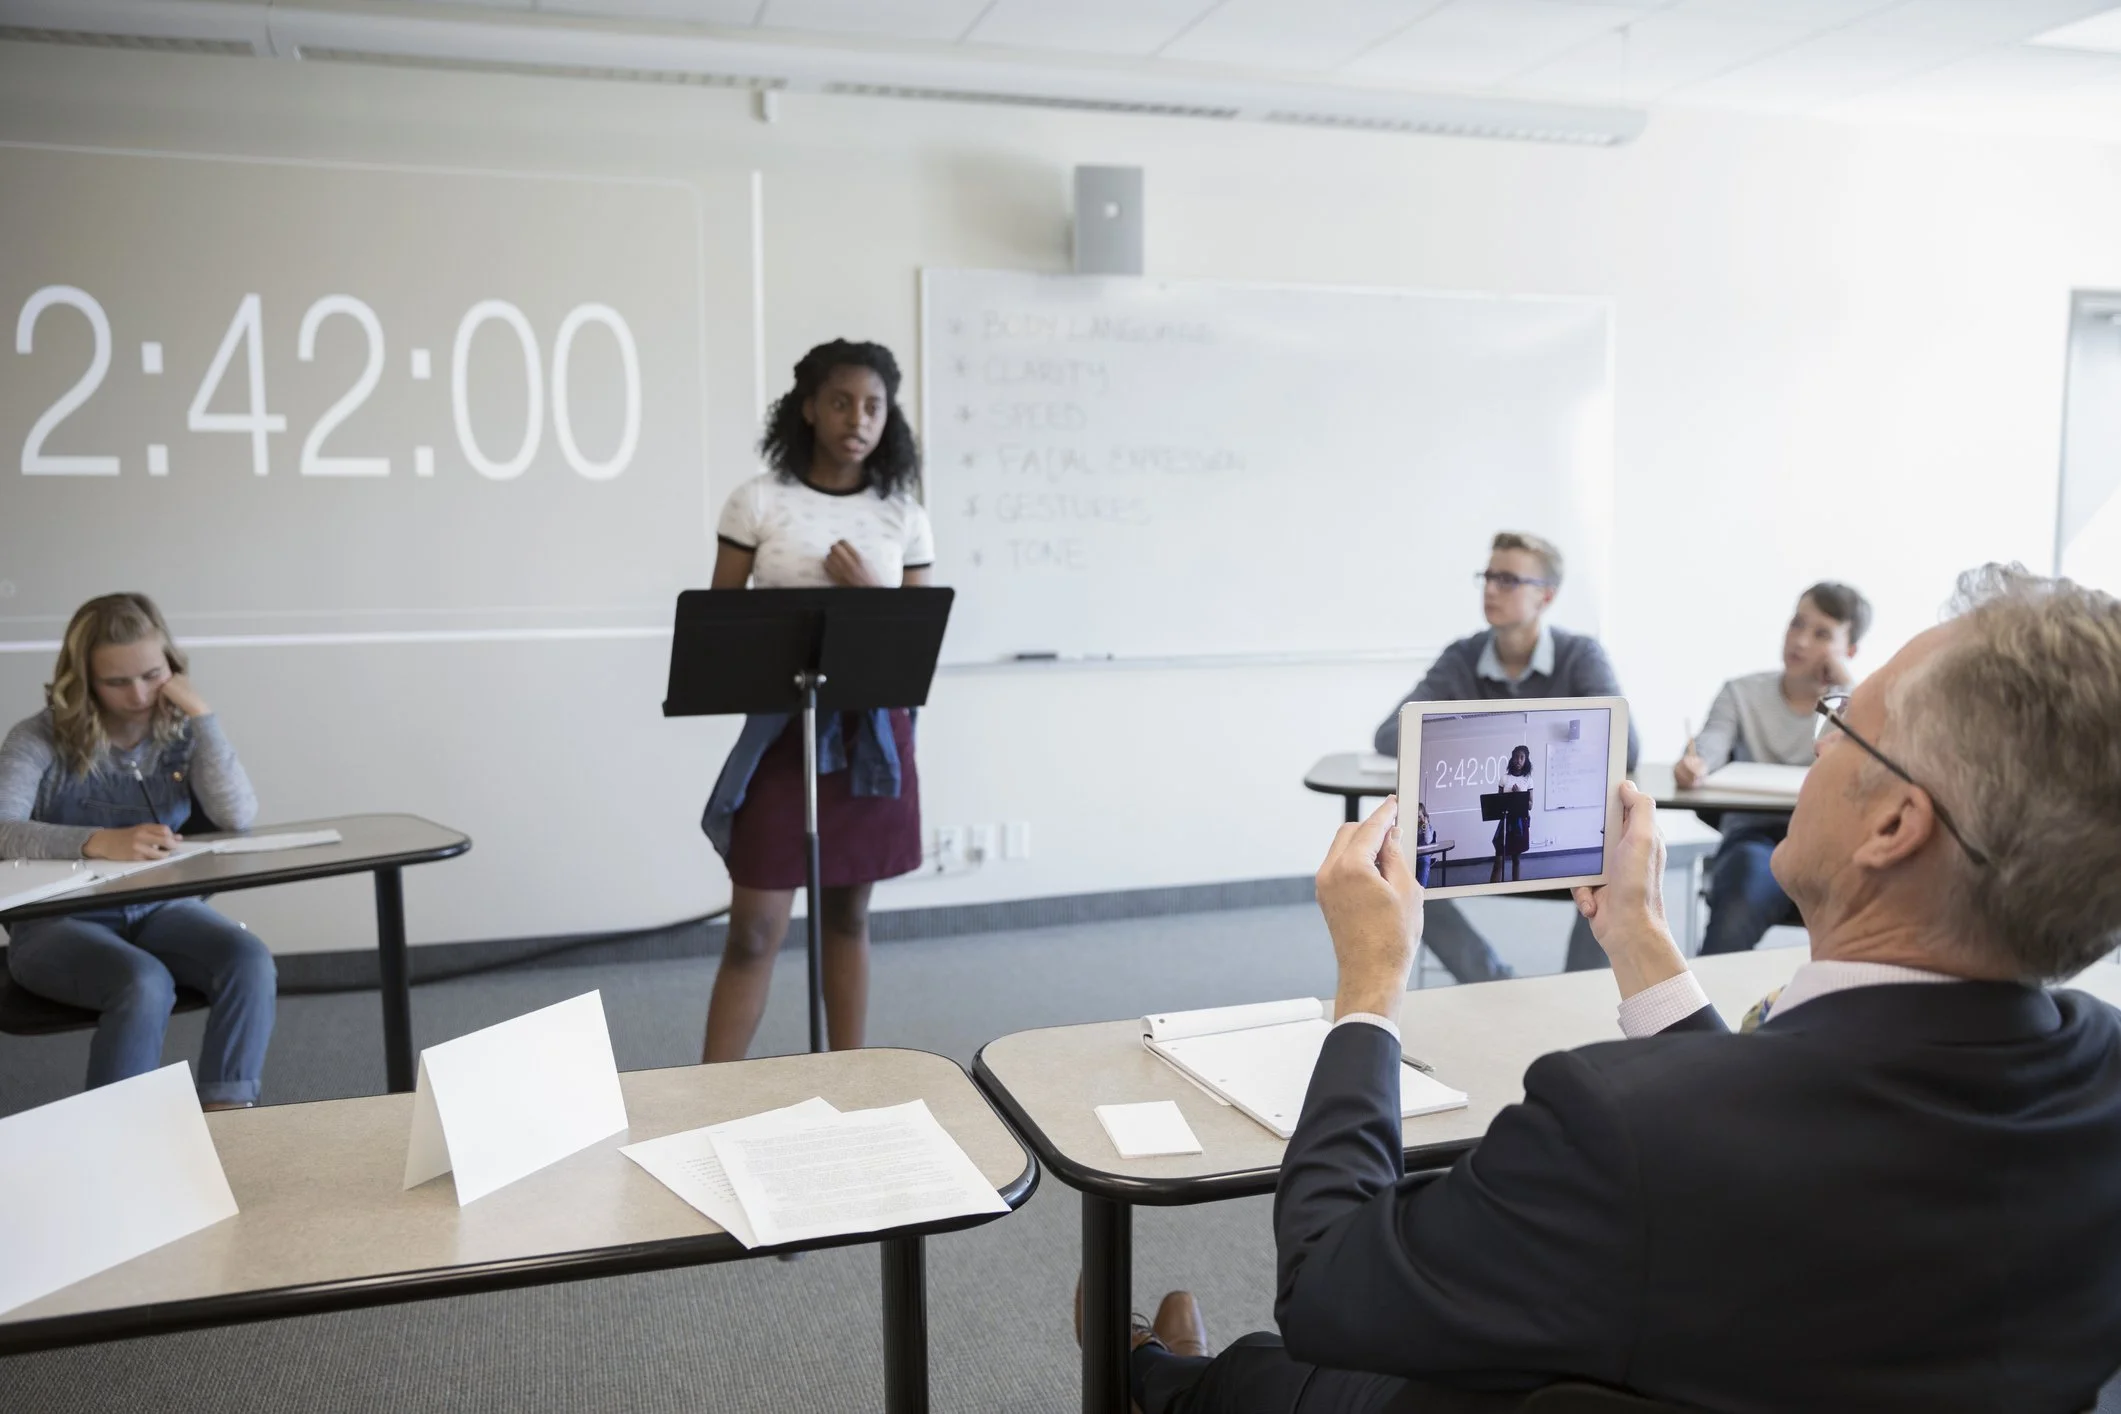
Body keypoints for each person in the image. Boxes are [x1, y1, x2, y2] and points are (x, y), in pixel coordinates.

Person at [1117, 563, 2121, 1414]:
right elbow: (1774, 1120)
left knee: (1290, 1368)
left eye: (1840, 723)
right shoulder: (2102, 1076)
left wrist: (1372, 984)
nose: (1816, 743)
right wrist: (1638, 939)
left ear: (1895, 826)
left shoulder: (1619, 1125)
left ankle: (1145, 1375)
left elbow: (1330, 1280)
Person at [699, 340, 933, 1062]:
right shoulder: (758, 500)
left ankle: (850, 1077)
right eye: (840, 401)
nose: (856, 418)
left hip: (871, 737)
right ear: (807, 407)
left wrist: (871, 598)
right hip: (783, 732)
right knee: (755, 929)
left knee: (847, 917)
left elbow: (917, 643)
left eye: (872, 405)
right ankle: (706, 1097)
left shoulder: (903, 514)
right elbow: (720, 625)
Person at [0, 593, 274, 1109]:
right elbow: (1, 829)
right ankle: (117, 1139)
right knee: (144, 982)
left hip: (159, 907)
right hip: (56, 923)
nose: (141, 694)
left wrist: (204, 718)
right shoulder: (37, 737)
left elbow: (238, 816)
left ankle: (228, 1119)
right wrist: (95, 842)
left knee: (249, 959)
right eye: (117, 681)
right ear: (83, 680)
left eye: (153, 674)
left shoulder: (180, 733)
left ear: (171, 667)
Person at [1372, 532, 1638, 979]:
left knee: (1619, 861)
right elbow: (1388, 735)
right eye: (1489, 576)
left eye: (1509, 579)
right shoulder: (1463, 656)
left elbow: (1627, 746)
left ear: (1546, 596)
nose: (1491, 588)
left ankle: (1574, 991)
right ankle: (1490, 980)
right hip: (1488, 817)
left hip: (1566, 844)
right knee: (1396, 869)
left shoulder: (1580, 656)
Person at [1678, 582, 1868, 955]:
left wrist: (1846, 686)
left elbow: (1879, 755)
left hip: (1830, 844)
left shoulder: (1854, 703)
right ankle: (1704, 1006)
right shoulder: (1741, 693)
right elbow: (1712, 744)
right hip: (1754, 839)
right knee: (1744, 882)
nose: (1800, 641)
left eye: (1821, 634)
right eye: (1796, 625)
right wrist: (1696, 763)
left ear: (1849, 651)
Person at [1486, 745, 1533, 884]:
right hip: (1506, 822)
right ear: (1512, 759)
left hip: (1520, 823)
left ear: (1526, 760)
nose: (1518, 760)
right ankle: (1492, 890)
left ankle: (1515, 889)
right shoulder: (1504, 778)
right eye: (1516, 757)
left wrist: (1519, 795)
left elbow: (1530, 805)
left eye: (1521, 757)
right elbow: (1498, 802)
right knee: (1499, 858)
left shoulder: (1528, 779)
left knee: (1516, 859)